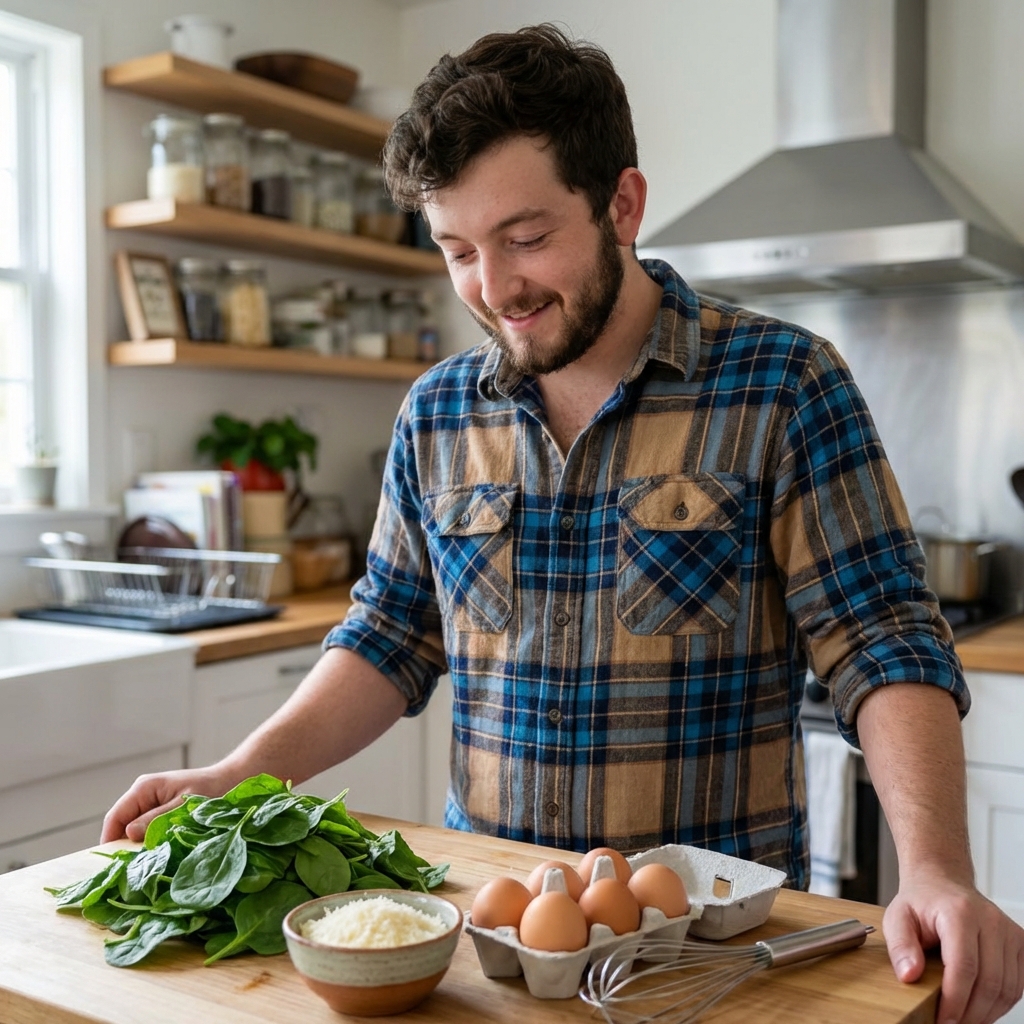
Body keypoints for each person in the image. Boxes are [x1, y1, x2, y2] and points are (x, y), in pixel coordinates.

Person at [104, 25, 1023, 1024]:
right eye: (457, 250)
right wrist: (240, 775)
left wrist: (936, 869)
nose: (494, 290)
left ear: (621, 204)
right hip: (493, 958)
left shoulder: (783, 384)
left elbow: (879, 639)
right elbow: (389, 634)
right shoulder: (438, 413)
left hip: (712, 957)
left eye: (526, 238)